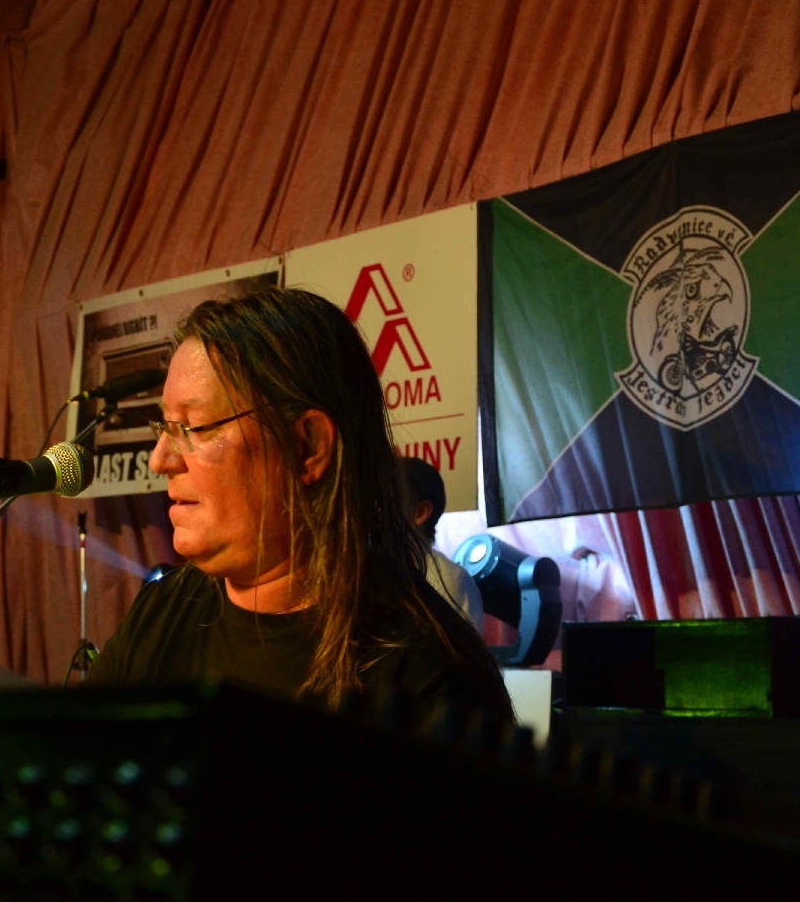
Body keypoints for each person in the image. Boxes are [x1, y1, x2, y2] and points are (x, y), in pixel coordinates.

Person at [86, 287, 511, 720]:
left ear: (308, 446)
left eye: (193, 427)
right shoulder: (159, 614)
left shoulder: (432, 675)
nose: (160, 460)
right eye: (165, 425)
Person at [400, 456, 484, 633]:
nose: (374, 509)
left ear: (420, 512)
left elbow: (464, 650)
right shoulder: (366, 568)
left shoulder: (451, 580)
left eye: (386, 500)